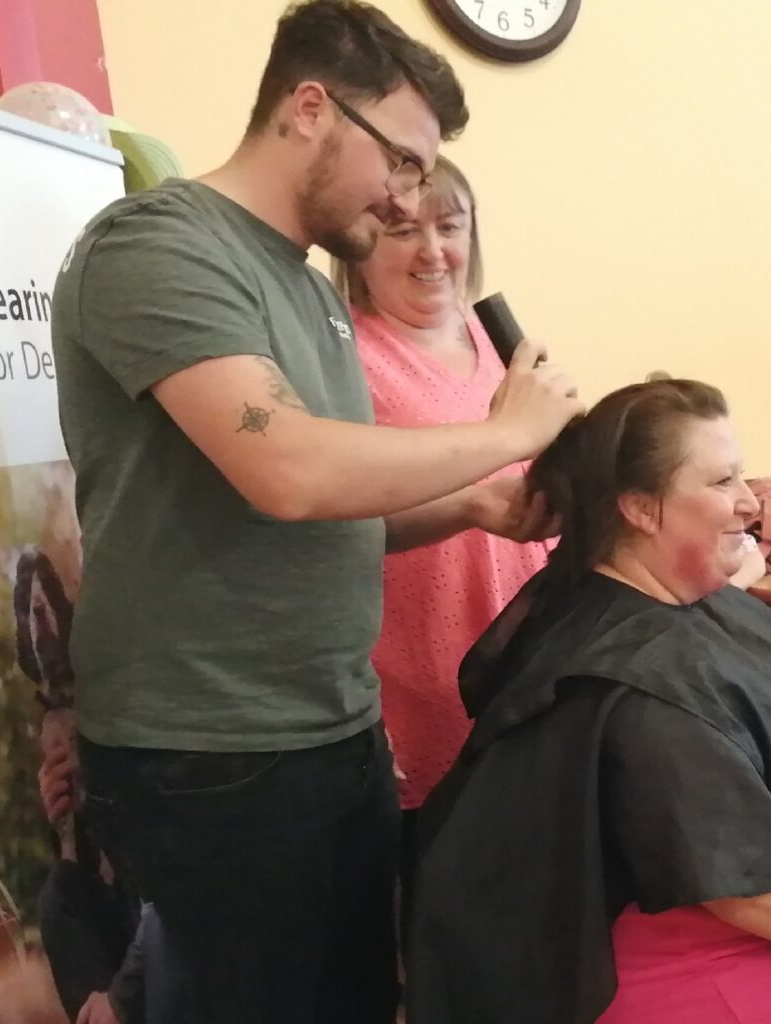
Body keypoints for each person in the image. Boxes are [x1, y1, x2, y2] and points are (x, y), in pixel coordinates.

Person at [49, 2, 582, 1022]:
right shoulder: (157, 247)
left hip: (331, 736)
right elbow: (285, 468)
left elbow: (327, 513)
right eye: (403, 160)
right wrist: (507, 429)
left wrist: (472, 502)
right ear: (308, 108)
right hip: (208, 758)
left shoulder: (307, 292)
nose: (407, 197)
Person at [407, 379, 771, 1024]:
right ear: (642, 509)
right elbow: (744, 885)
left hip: (758, 905)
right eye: (723, 481)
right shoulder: (638, 690)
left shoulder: (678, 606)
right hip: (710, 962)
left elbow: (757, 767)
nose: (752, 501)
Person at [330, 155, 553, 924]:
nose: (432, 251)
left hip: (524, 666)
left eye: (448, 227)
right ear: (359, 244)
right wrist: (475, 498)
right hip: (415, 680)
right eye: (401, 230)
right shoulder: (342, 359)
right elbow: (339, 516)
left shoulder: (501, 343)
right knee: (445, 918)